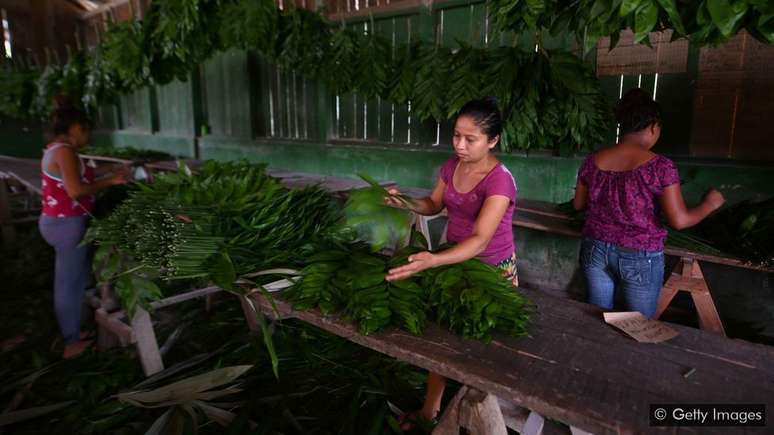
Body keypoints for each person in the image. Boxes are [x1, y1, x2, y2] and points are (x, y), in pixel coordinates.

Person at [385, 97, 518, 426]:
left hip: (490, 270)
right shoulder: (451, 166)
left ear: (493, 140)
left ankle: (485, 416)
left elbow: (480, 240)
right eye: (456, 135)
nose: (459, 144)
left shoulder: (500, 180)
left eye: (470, 139)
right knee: (444, 337)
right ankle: (430, 411)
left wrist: (433, 261)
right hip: (451, 259)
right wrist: (402, 201)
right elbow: (433, 204)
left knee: (481, 342)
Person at [572, 88, 725, 318]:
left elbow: (578, 206)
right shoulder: (660, 167)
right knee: (638, 325)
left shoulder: (592, 161)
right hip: (639, 256)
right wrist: (710, 204)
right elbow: (680, 220)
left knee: (597, 317)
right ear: (653, 126)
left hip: (595, 249)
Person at [38, 99, 129, 358]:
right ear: (75, 127)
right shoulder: (65, 151)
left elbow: (78, 175)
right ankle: (70, 343)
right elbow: (76, 190)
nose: (87, 136)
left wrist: (108, 169)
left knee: (76, 280)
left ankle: (75, 332)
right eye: (86, 130)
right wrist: (111, 180)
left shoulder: (56, 148)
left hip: (59, 221)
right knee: (69, 284)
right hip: (66, 224)